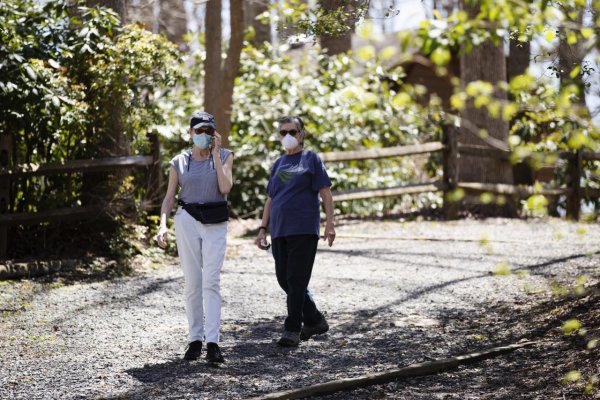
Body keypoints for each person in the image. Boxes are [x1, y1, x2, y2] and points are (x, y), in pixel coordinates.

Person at [155, 111, 233, 362]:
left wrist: (216, 154)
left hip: (215, 220)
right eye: (199, 130)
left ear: (214, 133)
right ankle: (195, 340)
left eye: (208, 131)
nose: (204, 135)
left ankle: (213, 343)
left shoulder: (225, 156)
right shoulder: (179, 161)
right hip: (187, 218)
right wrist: (162, 225)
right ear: (190, 133)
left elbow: (225, 187)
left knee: (211, 281)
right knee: (192, 282)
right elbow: (169, 197)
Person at [255, 115, 336, 347]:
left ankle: (292, 329)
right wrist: (262, 228)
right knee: (285, 279)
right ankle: (314, 319)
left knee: (296, 279)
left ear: (301, 134)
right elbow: (270, 199)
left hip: (304, 228)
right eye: (283, 132)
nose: (288, 136)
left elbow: (326, 193)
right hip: (279, 230)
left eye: (293, 131)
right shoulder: (278, 164)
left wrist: (330, 223)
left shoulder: (311, 159)